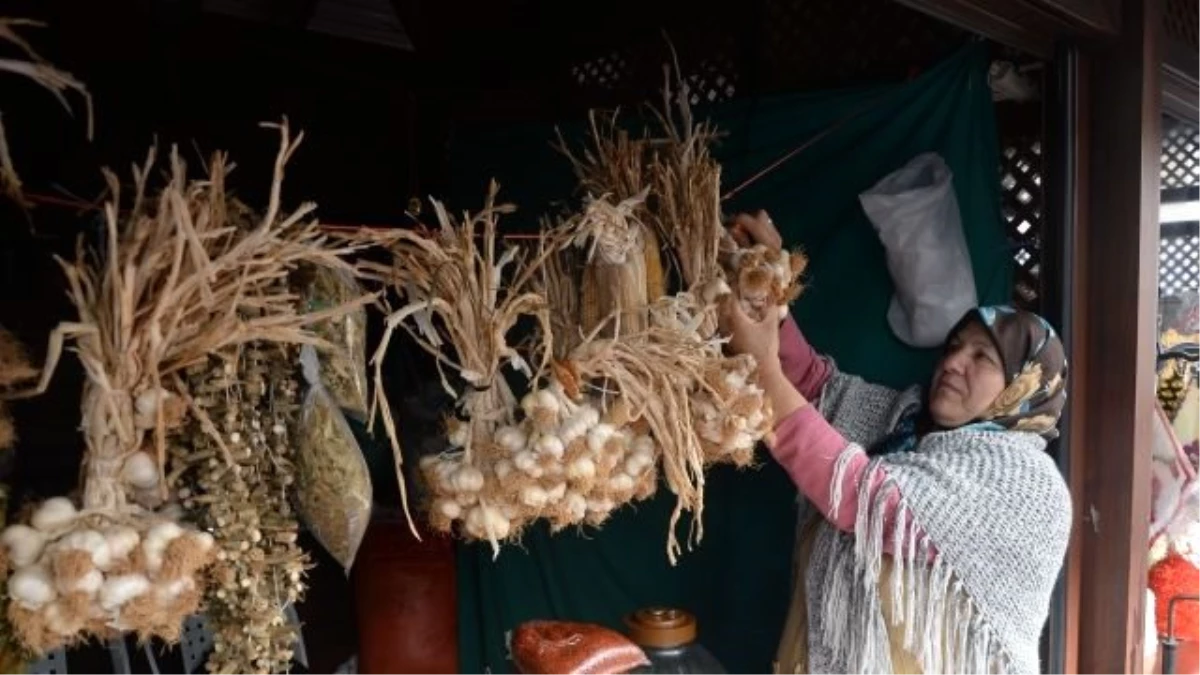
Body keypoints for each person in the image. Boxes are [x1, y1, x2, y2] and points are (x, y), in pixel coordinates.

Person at [721, 211, 1072, 675]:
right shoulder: (904, 422)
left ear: (1023, 387)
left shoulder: (1026, 485)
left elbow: (865, 500)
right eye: (954, 347)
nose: (953, 363)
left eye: (982, 357)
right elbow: (812, 384)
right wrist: (767, 289)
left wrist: (762, 365)